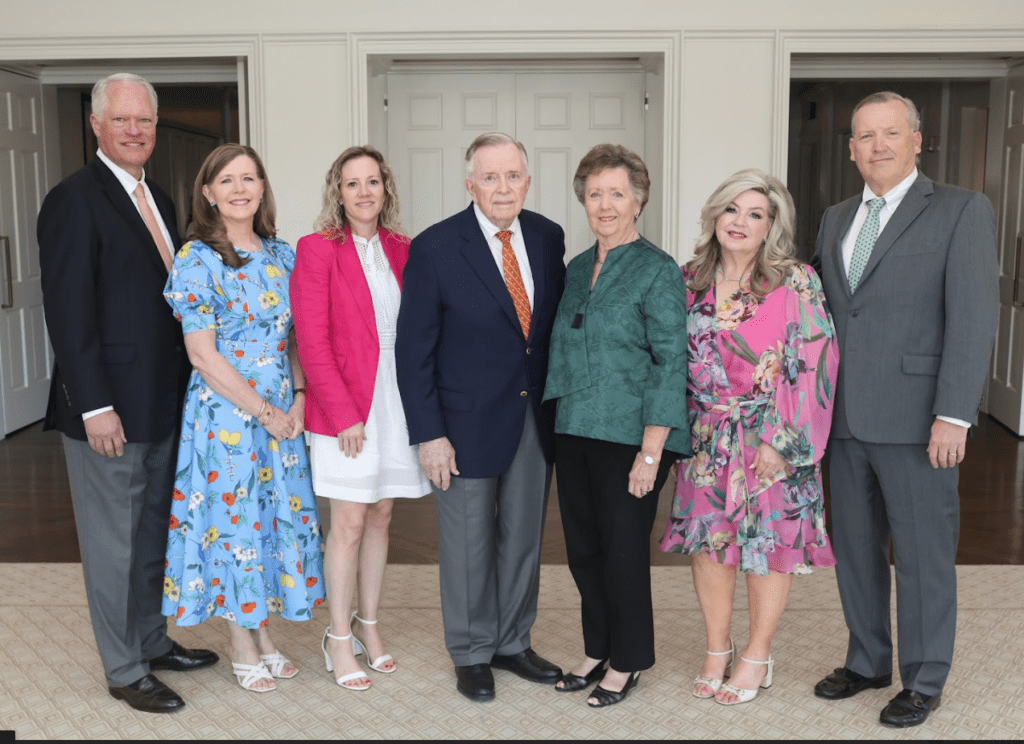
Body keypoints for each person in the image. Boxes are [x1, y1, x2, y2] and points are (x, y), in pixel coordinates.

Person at [811, 91, 999, 728]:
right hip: (841, 419)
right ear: (853, 148)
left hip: (921, 419)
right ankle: (867, 660)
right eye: (865, 136)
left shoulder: (960, 210)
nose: (878, 145)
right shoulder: (835, 217)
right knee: (856, 548)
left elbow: (973, 319)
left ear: (919, 140)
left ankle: (923, 678)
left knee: (922, 553)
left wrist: (956, 413)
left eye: (891, 133)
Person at [37, 73, 218, 714]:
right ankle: (123, 669)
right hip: (107, 411)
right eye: (122, 120)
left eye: (144, 119)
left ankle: (151, 640)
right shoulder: (73, 201)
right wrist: (93, 404)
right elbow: (68, 313)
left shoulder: (160, 199)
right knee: (113, 545)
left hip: (162, 403)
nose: (135, 130)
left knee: (151, 537)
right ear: (96, 125)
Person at [396, 132, 566, 702]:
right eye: (489, 177)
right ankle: (470, 652)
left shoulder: (546, 238)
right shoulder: (436, 247)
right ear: (469, 184)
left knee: (522, 538)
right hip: (460, 424)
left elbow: (543, 336)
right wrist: (429, 433)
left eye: (512, 175)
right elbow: (412, 349)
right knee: (468, 542)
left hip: (532, 418)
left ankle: (513, 642)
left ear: (528, 181)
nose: (502, 187)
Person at [659, 168, 839, 706]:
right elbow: (670, 363)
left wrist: (780, 442)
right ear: (715, 214)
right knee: (711, 547)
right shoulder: (687, 279)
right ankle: (718, 648)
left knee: (768, 548)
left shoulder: (795, 280)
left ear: (771, 227)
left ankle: (757, 654)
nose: (740, 221)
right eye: (731, 209)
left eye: (755, 214)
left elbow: (817, 361)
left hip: (773, 439)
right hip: (706, 439)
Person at [161, 143, 325, 693]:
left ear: (261, 188)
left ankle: (265, 634)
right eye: (226, 180)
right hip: (226, 414)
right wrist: (265, 412)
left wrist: (298, 398)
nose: (239, 189)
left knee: (270, 521)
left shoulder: (283, 256)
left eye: (248, 178)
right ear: (207, 193)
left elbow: (298, 336)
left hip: (282, 407)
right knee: (234, 527)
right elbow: (202, 354)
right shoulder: (196, 258)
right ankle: (239, 639)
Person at [544, 144, 690, 708]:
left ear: (639, 201)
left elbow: (670, 360)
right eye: (595, 193)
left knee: (624, 549)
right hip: (574, 424)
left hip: (632, 436)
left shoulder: (657, 269)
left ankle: (628, 660)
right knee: (583, 548)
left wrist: (652, 452)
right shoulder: (577, 268)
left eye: (617, 193)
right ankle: (597, 646)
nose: (605, 204)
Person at [290, 146, 431, 692]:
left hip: (397, 402)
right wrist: (346, 413)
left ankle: (369, 625)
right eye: (352, 183)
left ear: (385, 189)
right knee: (347, 522)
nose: (364, 192)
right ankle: (337, 638)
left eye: (373, 181)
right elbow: (311, 338)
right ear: (338, 191)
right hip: (345, 406)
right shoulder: (317, 249)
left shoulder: (405, 248)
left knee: (382, 515)